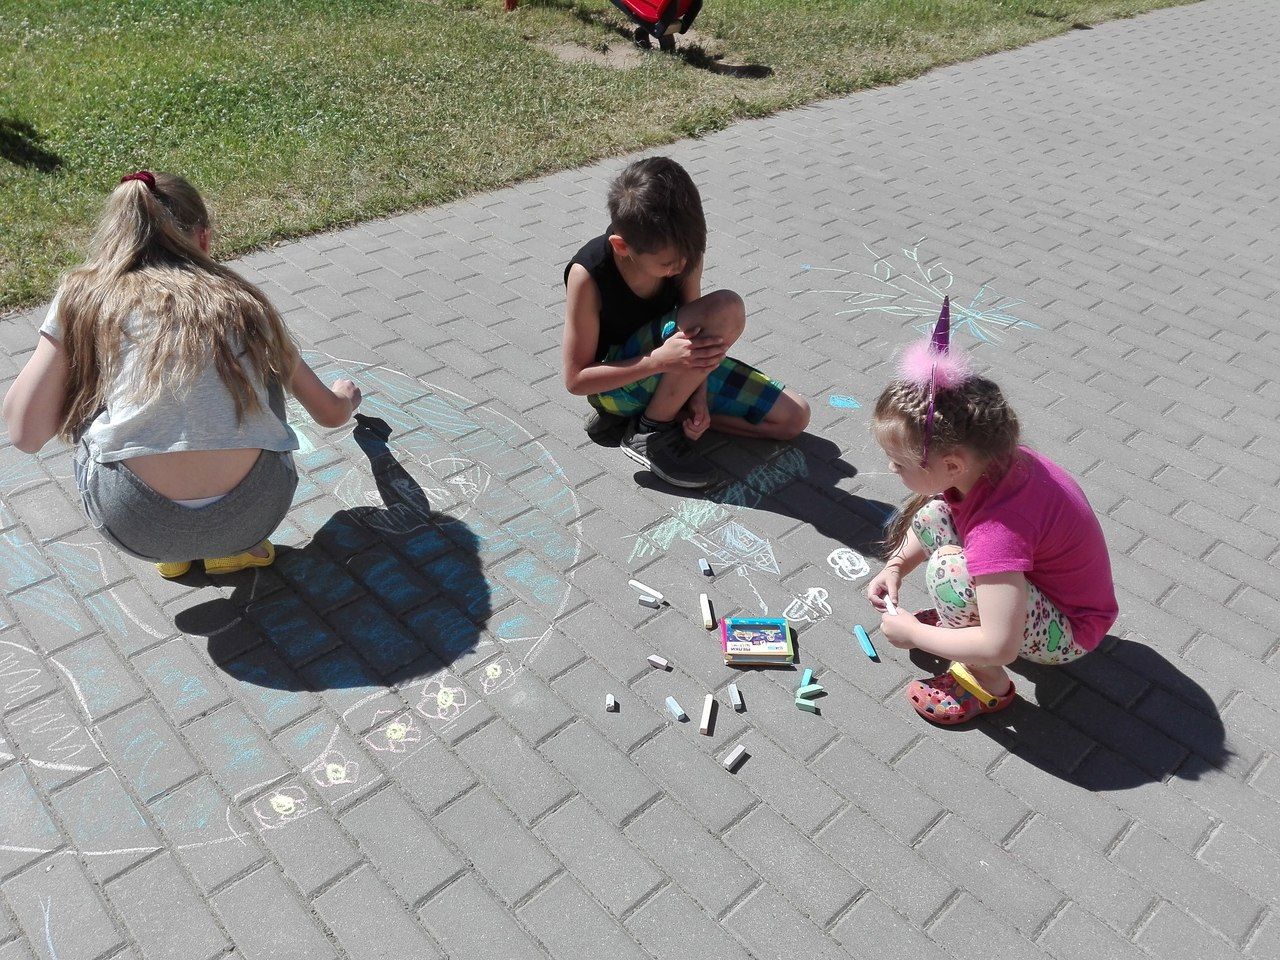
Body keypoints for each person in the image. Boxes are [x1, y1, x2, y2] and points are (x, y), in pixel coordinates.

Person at [2, 171, 361, 578]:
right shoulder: (241, 301)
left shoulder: (84, 297)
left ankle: (173, 552)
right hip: (252, 514)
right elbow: (329, 414)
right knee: (263, 373)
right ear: (203, 238)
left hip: (136, 522)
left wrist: (70, 341)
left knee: (90, 382)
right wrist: (345, 398)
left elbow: (25, 434)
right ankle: (234, 551)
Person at [864, 301, 1117, 724]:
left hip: (1068, 633)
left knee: (949, 573)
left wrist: (914, 633)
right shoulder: (996, 464)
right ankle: (967, 623)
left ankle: (987, 684)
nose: (892, 468)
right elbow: (933, 522)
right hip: (1041, 590)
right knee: (933, 515)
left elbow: (1002, 645)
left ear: (952, 465)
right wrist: (895, 567)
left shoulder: (998, 531)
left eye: (900, 462)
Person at [562, 156, 809, 488]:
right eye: (667, 263)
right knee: (726, 308)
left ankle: (660, 415)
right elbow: (576, 380)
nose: (680, 267)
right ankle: (650, 432)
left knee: (794, 418)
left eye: (688, 256)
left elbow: (698, 336)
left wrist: (697, 395)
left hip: (675, 366)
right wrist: (658, 361)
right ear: (621, 247)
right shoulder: (589, 275)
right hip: (617, 385)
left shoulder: (682, 251)